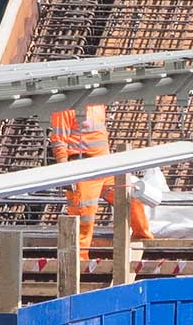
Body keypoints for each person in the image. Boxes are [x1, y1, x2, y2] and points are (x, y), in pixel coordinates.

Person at [50, 105, 153, 259]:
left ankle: (143, 240)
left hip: (105, 166)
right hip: (83, 168)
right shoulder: (65, 107)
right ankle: (79, 260)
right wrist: (65, 172)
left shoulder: (98, 103)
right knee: (84, 217)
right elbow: (59, 140)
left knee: (131, 197)